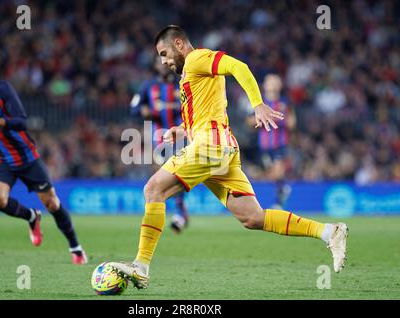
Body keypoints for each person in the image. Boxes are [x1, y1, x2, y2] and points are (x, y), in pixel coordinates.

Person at [109, 25, 348, 289]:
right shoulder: (189, 72)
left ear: (178, 44)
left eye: (164, 54)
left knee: (153, 189)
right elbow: (205, 112)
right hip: (221, 148)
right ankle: (329, 232)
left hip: (211, 147)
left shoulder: (197, 58)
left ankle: (141, 266)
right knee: (253, 218)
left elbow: (239, 67)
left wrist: (258, 104)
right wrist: (180, 130)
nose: (164, 62)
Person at [0, 48, 88, 264]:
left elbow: (22, 121)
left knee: (52, 204)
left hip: (26, 157)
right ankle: (31, 217)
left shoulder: (2, 89)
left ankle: (75, 246)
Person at [130, 56, 189, 233]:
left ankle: (178, 212)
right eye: (159, 62)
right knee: (166, 175)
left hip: (181, 134)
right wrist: (143, 110)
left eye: (166, 60)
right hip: (159, 136)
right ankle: (179, 211)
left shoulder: (183, 83)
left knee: (173, 172)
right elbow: (133, 107)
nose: (163, 64)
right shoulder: (148, 86)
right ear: (155, 66)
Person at [247, 74, 295, 209]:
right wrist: (261, 119)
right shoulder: (259, 103)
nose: (272, 84)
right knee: (271, 175)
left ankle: (279, 203)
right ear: (265, 85)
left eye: (275, 82)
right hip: (263, 146)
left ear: (280, 85)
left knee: (278, 172)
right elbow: (249, 121)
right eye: (270, 82)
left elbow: (292, 124)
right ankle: (282, 189)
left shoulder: (285, 103)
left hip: (280, 145)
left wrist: (285, 115)